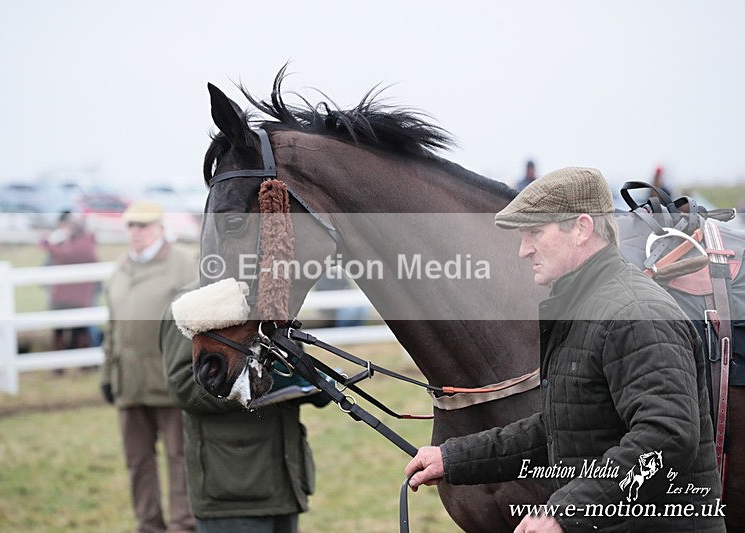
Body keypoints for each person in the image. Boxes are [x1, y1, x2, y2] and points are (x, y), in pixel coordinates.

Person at [404, 167, 724, 532]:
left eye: (535, 233)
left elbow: (666, 440)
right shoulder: (585, 309)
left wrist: (565, 513)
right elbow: (560, 427)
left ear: (581, 229)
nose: (524, 250)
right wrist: (452, 457)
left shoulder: (635, 314)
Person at [160, 282, 326, 533]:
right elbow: (183, 387)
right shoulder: (191, 305)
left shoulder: (262, 299)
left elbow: (289, 359)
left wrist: (313, 382)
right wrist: (269, 384)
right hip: (232, 488)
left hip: (283, 480)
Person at [100, 200, 197, 533]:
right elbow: (112, 327)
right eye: (131, 226)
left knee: (179, 457)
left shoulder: (184, 264)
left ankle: (183, 524)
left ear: (160, 228)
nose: (136, 233)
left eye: (143, 226)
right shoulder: (120, 269)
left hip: (170, 381)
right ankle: (148, 523)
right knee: (138, 462)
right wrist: (107, 375)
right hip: (129, 382)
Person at [39, 211, 98, 364]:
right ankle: (60, 365)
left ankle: (82, 365)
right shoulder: (65, 241)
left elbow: (68, 255)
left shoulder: (84, 244)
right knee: (60, 332)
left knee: (80, 332)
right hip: (63, 296)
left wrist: (49, 245)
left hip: (77, 296)